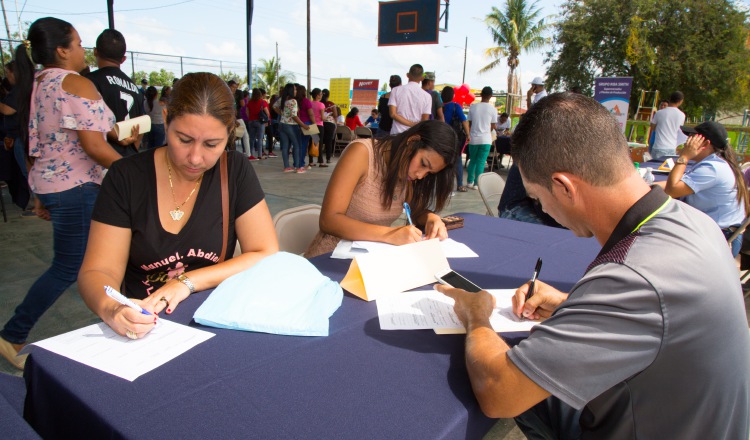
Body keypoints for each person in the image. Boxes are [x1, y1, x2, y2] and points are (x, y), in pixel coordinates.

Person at [436, 92, 750, 439]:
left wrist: (476, 316)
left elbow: (499, 395)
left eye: (538, 199)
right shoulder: (694, 221)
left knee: (515, 383)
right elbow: (661, 320)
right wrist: (571, 306)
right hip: (694, 419)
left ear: (564, 187)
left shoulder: (633, 276)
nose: (542, 209)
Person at [78, 72, 279, 339]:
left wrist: (185, 283)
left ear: (230, 133)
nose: (195, 158)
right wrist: (112, 308)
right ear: (166, 117)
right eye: (183, 139)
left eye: (212, 144)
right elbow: (98, 270)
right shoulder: (126, 176)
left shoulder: (234, 170)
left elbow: (264, 252)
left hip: (212, 319)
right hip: (146, 325)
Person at [0, 17, 121, 370]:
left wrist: (39, 192)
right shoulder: (74, 83)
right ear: (62, 50)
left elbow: (35, 141)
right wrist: (136, 172)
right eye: (79, 43)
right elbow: (96, 147)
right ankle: (12, 334)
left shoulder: (35, 83)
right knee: (70, 267)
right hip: (78, 186)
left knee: (86, 263)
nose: (85, 50)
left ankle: (117, 319)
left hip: (54, 185)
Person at [305, 120, 456, 258]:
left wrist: (431, 218)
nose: (421, 175)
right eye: (423, 163)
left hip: (370, 260)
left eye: (429, 173)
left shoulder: (408, 173)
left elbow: (415, 210)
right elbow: (328, 220)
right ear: (412, 141)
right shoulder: (362, 153)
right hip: (329, 259)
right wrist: (390, 234)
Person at [658, 121, 748, 256]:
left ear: (705, 144)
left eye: (692, 138)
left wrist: (684, 157)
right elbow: (680, 184)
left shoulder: (713, 169)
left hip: (718, 240)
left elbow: (673, 189)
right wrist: (648, 187)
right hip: (715, 232)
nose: (687, 142)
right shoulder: (715, 163)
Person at [86, 29, 143, 157]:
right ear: (123, 59)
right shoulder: (136, 89)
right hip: (128, 157)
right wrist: (133, 147)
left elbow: (87, 121)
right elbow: (142, 126)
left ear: (95, 51)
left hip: (103, 157)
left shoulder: (89, 82)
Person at [274, 83, 310, 173]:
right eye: (294, 89)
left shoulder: (283, 99)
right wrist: (303, 125)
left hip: (282, 124)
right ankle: (298, 167)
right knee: (297, 145)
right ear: (290, 90)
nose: (296, 91)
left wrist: (282, 114)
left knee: (285, 146)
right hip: (292, 125)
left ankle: (286, 167)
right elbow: (294, 116)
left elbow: (274, 106)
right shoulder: (293, 101)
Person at [466, 86, 496, 190]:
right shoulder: (493, 109)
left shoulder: (473, 107)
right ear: (491, 96)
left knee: (473, 160)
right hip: (486, 139)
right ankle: (476, 184)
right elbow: (493, 126)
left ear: (481, 95)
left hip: (473, 139)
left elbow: (469, 123)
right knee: (481, 162)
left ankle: (469, 181)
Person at [441, 86, 470, 192]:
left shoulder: (438, 106)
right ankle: (460, 184)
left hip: (441, 137)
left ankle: (443, 185)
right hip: (454, 137)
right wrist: (468, 134)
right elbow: (464, 120)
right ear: (453, 95)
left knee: (443, 160)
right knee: (457, 160)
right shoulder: (455, 106)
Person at [388, 64, 431, 135]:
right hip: (414, 136)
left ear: (407, 75)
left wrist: (411, 124)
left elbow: (393, 114)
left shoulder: (395, 90)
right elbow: (424, 121)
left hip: (396, 135)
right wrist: (413, 125)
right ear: (422, 78)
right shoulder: (427, 96)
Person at [649, 91, 685, 159]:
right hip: (672, 147)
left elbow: (653, 127)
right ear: (680, 101)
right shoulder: (682, 115)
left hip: (659, 146)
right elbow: (679, 131)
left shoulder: (659, 113)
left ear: (670, 99)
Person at [246, 88, 270, 161]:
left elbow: (247, 112)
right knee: (260, 139)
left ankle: (251, 154)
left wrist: (250, 118)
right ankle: (260, 155)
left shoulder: (249, 102)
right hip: (260, 122)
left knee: (252, 139)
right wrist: (266, 120)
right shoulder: (263, 102)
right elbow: (267, 113)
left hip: (251, 121)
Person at [227, 80, 250, 156]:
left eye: (235, 87)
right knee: (243, 134)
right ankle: (247, 153)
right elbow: (242, 104)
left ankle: (233, 153)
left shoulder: (230, 94)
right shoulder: (235, 94)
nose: (234, 89)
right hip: (233, 117)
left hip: (234, 117)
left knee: (235, 135)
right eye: (233, 87)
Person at [309, 88, 326, 167]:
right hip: (319, 125)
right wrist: (326, 117)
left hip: (312, 124)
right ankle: (321, 161)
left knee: (312, 142)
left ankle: (311, 161)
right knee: (320, 143)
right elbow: (323, 118)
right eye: (321, 94)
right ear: (317, 95)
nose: (322, 96)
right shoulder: (321, 105)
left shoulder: (310, 103)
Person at [320, 88, 337, 164]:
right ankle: (328, 158)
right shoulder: (331, 104)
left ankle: (319, 158)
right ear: (328, 95)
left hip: (320, 123)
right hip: (330, 123)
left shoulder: (319, 103)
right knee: (329, 141)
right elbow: (336, 114)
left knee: (319, 140)